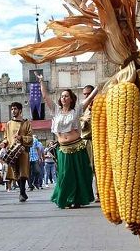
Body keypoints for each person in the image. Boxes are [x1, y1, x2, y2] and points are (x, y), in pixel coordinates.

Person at [35, 72, 98, 209]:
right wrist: (41, 82)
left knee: (79, 174)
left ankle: (77, 199)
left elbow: (91, 96)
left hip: (78, 146)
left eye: (66, 96)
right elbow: (45, 96)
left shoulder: (77, 110)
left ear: (71, 99)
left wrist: (100, 86)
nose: (63, 98)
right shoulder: (56, 110)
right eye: (62, 96)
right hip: (63, 148)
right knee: (65, 174)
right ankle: (67, 199)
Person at [0, 102, 33, 202]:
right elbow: (6, 138)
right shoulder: (9, 124)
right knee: (15, 172)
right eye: (12, 109)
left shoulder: (26, 123)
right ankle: (22, 191)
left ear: (20, 110)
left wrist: (21, 138)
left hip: (23, 151)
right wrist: (4, 143)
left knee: (23, 172)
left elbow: (30, 138)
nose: (13, 111)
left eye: (15, 109)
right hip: (12, 152)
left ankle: (22, 192)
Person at [80, 84, 100, 202]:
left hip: (98, 140)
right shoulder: (83, 109)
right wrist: (83, 120)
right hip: (86, 141)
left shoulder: (100, 105)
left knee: (98, 168)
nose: (87, 96)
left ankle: (99, 193)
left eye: (89, 94)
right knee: (87, 168)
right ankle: (88, 194)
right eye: (85, 95)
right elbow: (76, 120)